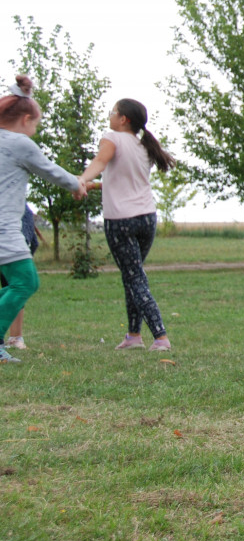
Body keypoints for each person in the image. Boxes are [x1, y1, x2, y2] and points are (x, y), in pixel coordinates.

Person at [1, 76, 86, 365]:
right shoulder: (20, 143)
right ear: (25, 119)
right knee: (25, 281)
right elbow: (51, 171)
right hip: (3, 230)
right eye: (36, 125)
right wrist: (77, 185)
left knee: (16, 282)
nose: (34, 131)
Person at [79, 99, 174, 352]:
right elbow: (124, 179)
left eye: (113, 112)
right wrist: (94, 185)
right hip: (146, 218)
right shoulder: (144, 145)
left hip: (121, 220)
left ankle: (160, 337)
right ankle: (133, 336)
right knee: (132, 276)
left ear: (123, 120)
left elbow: (100, 163)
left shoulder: (111, 137)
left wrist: (81, 179)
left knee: (135, 279)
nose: (110, 116)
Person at [3, 204, 38, 349]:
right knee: (18, 288)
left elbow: (30, 239)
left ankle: (15, 337)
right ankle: (15, 338)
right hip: (13, 250)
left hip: (13, 250)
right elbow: (32, 241)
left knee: (17, 288)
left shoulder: (19, 206)